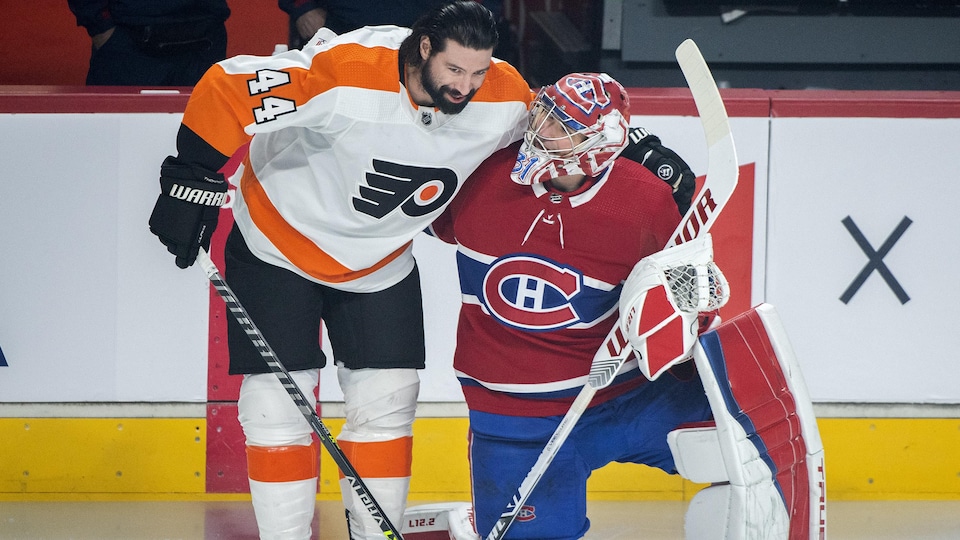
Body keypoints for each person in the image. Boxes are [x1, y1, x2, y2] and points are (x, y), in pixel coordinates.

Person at [146, 2, 533, 539]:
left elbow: (562, 128)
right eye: (454, 70)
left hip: (379, 260)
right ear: (424, 49)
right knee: (276, 405)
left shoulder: (502, 94)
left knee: (390, 401)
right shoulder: (346, 73)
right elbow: (226, 87)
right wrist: (190, 178)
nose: (466, 86)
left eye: (478, 72)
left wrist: (644, 154)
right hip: (278, 243)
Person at [428, 72, 717, 539]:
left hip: (631, 398)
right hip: (514, 419)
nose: (539, 128)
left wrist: (687, 236)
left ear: (600, 142)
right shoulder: (481, 175)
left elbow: (691, 313)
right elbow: (392, 220)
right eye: (543, 111)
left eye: (561, 124)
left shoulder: (644, 200)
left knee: (751, 455)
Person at [277, 0, 516, 65]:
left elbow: (482, 7)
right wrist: (303, 7)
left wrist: (475, 23)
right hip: (342, 28)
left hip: (433, 40)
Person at [68, 0, 230, 86]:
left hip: (205, 39)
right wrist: (100, 26)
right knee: (114, 139)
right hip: (129, 43)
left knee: (207, 140)